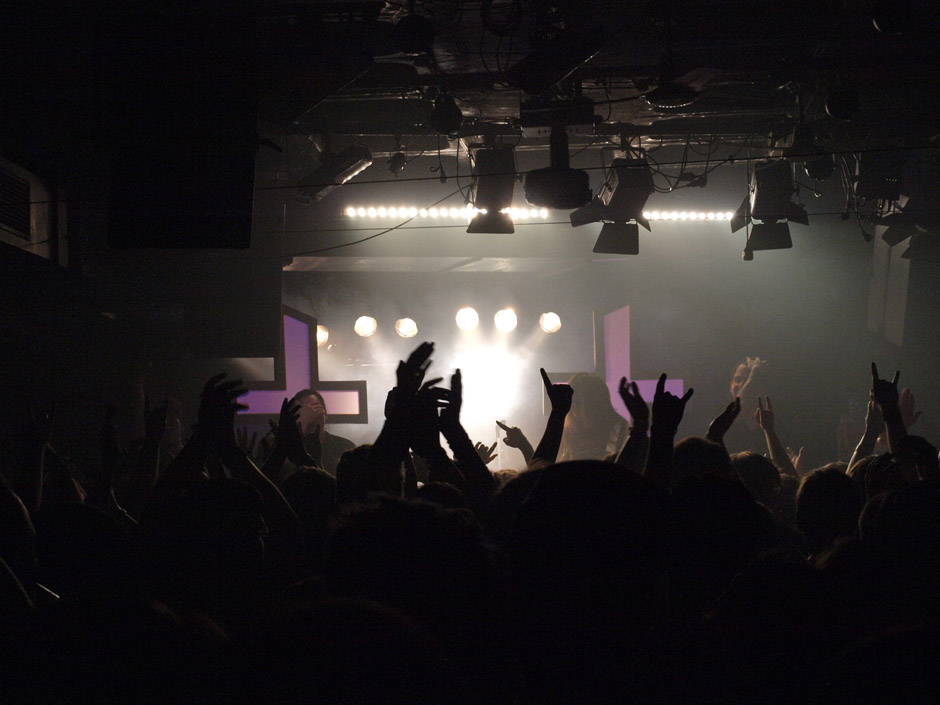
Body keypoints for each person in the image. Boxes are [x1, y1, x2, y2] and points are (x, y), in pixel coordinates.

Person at [557, 373, 627, 462]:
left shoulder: (620, 431)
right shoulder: (565, 433)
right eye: (575, 400)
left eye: (588, 400)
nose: (579, 407)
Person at [292, 389, 355, 475]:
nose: (311, 412)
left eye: (315, 406)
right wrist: (302, 423)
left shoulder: (345, 447)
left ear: (326, 413)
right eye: (304, 409)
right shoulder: (286, 446)